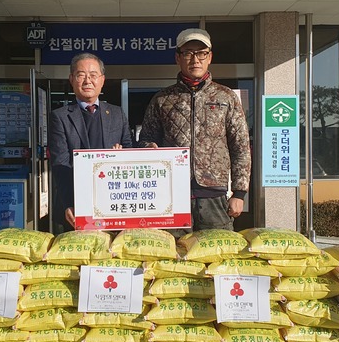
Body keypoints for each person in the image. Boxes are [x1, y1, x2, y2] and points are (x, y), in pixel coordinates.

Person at [138, 28, 251, 231]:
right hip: (172, 195)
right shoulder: (162, 99)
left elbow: (241, 147)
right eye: (188, 53)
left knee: (217, 253)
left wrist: (239, 193)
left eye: (201, 53)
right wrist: (149, 147)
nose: (195, 59)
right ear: (178, 58)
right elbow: (146, 138)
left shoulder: (226, 97)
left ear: (210, 57)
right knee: (175, 257)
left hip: (214, 197)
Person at [49, 52, 133, 234]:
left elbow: (129, 152)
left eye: (93, 75)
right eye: (81, 75)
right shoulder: (60, 117)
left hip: (112, 205)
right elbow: (60, 163)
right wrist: (69, 203)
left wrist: (121, 157)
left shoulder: (117, 113)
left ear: (102, 80)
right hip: (74, 207)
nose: (88, 81)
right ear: (72, 79)